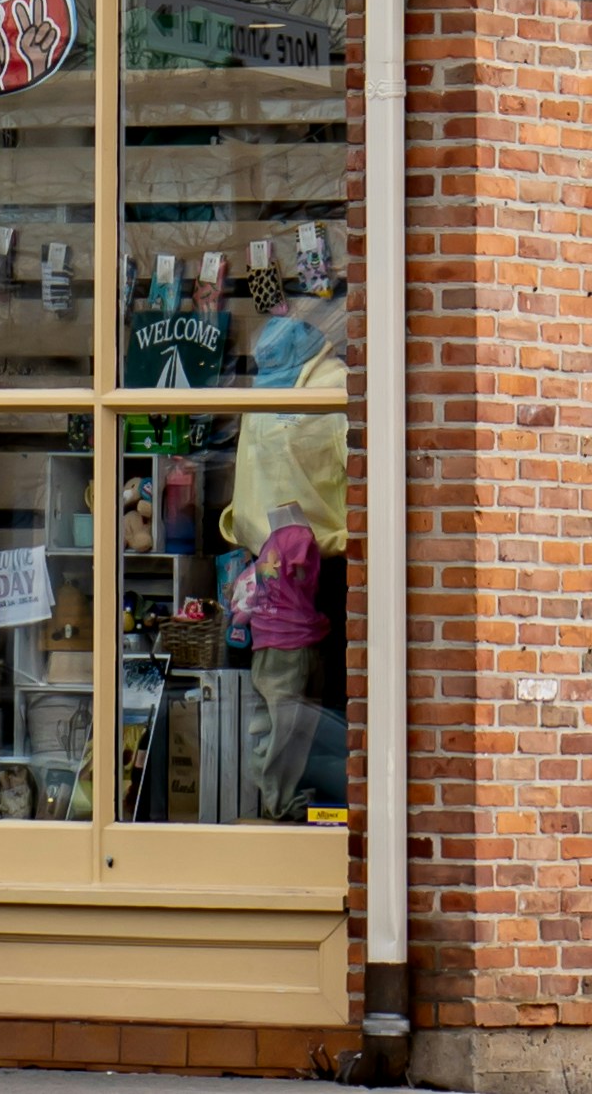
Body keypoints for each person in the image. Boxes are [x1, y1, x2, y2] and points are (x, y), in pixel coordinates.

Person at [223, 316, 348, 818]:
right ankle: (285, 805)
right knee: (284, 695)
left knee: (297, 696)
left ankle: (300, 804)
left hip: (320, 564)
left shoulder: (334, 389)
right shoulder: (272, 389)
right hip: (278, 567)